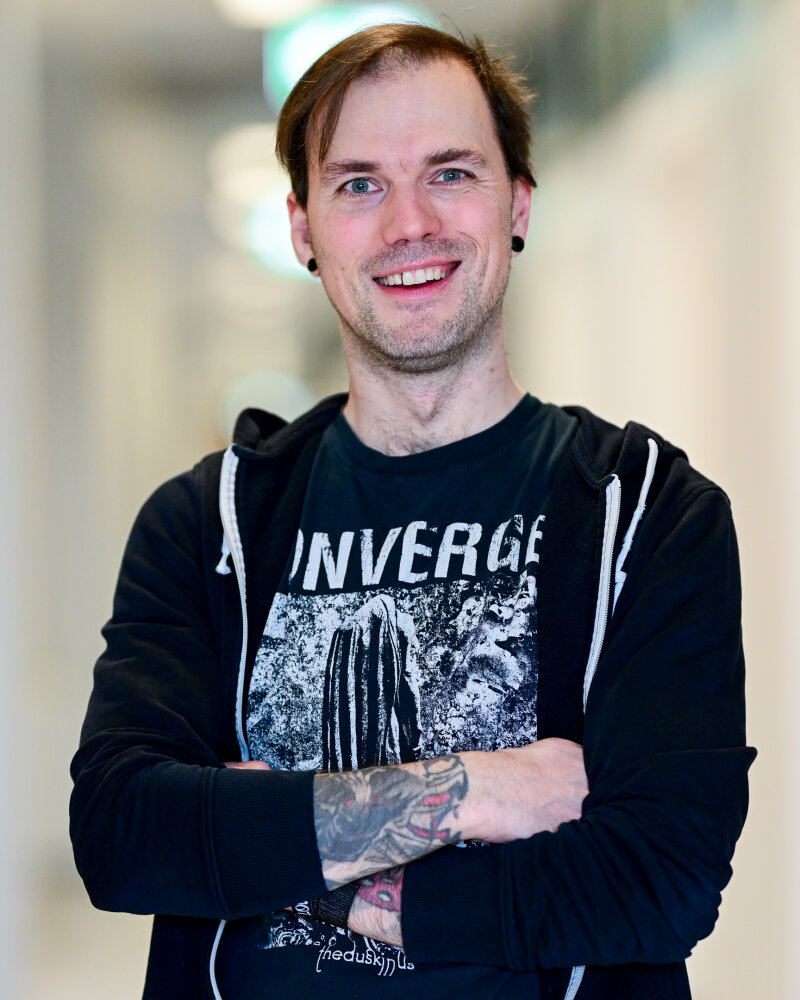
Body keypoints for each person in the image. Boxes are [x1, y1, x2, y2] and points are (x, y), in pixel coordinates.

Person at [70, 22, 755, 1000]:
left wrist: (273, 855)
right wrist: (475, 789)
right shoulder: (206, 525)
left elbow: (654, 881)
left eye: (450, 173)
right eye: (359, 184)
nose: (408, 224)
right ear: (303, 229)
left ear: (518, 203)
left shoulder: (644, 513)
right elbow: (124, 835)